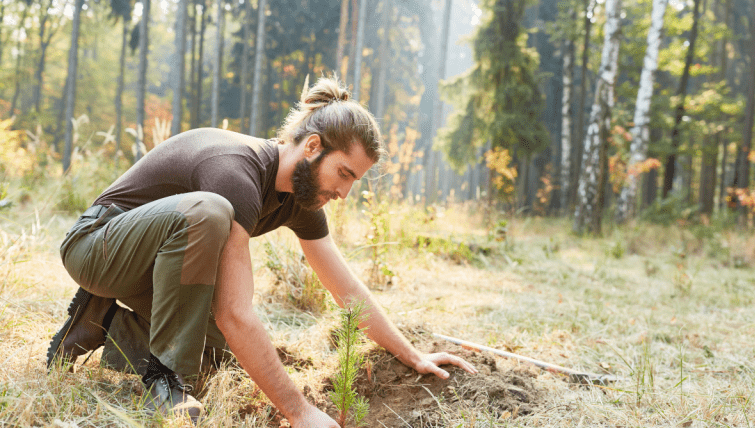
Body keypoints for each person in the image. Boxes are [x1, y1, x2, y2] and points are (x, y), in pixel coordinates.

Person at [47, 77, 477, 427]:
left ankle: (100, 320)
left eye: (354, 181)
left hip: (151, 267)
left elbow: (347, 289)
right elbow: (236, 312)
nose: (345, 192)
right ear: (312, 147)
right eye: (343, 174)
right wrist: (300, 411)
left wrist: (413, 355)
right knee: (209, 213)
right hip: (97, 246)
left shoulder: (303, 197)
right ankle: (168, 384)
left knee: (223, 357)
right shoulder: (237, 170)